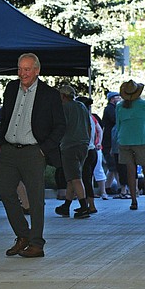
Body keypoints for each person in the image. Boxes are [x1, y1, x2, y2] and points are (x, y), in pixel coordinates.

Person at [0, 53, 65, 259]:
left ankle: (37, 243)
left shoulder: (49, 94)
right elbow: (5, 116)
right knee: (5, 192)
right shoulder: (10, 89)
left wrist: (44, 148)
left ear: (36, 70)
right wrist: (2, 141)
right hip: (9, 150)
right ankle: (23, 236)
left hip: (33, 151)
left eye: (27, 69)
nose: (22, 73)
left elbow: (60, 125)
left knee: (35, 199)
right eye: (19, 69)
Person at [115, 79, 145, 210]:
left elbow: (118, 124)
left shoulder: (119, 106)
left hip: (124, 140)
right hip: (140, 139)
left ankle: (134, 201)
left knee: (130, 171)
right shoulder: (143, 104)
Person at [55, 85, 92, 218]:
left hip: (69, 145)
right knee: (72, 177)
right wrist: (87, 142)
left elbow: (60, 127)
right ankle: (67, 205)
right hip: (83, 145)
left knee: (75, 178)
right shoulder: (81, 106)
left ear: (63, 96)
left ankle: (84, 206)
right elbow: (89, 126)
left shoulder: (63, 108)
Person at [101, 92, 120, 195]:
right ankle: (121, 187)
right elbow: (116, 119)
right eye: (117, 97)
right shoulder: (110, 109)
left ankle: (107, 187)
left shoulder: (111, 108)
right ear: (112, 99)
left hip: (110, 141)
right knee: (114, 166)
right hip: (109, 141)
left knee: (111, 167)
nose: (119, 98)